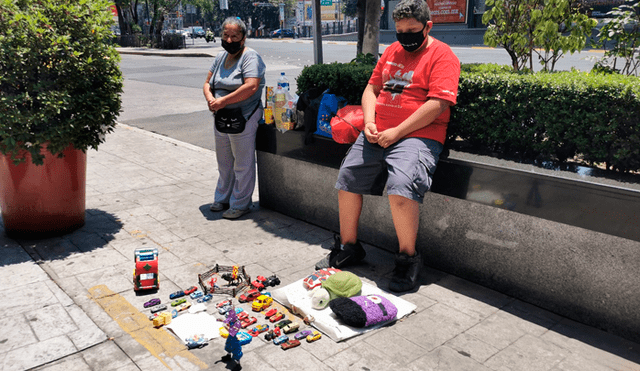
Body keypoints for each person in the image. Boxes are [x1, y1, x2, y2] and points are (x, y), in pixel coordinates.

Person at [315, 0, 460, 293]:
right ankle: (349, 246)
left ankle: (408, 259)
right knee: (348, 179)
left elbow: (438, 104)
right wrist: (369, 122)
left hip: (419, 134)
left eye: (412, 31)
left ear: (428, 27)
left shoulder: (443, 56)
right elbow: (372, 88)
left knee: (401, 188)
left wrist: (397, 132)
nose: (405, 37)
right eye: (400, 31)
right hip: (379, 131)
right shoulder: (393, 51)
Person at [203, 17, 266, 219]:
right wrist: (210, 98)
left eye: (234, 36)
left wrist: (222, 101)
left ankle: (240, 203)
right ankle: (222, 198)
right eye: (226, 35)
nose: (229, 40)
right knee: (224, 161)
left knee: (242, 162)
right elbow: (207, 82)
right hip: (221, 116)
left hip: (244, 116)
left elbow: (251, 86)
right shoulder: (220, 57)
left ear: (243, 38)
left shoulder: (250, 57)